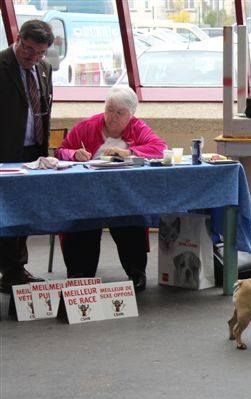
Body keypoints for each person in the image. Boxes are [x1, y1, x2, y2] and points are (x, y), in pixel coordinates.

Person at [55, 86, 167, 292]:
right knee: (83, 222)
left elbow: (160, 148)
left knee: (130, 218)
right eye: (109, 110)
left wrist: (128, 152)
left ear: (131, 114)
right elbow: (61, 150)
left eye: (119, 113)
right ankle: (80, 274)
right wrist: (74, 154)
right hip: (86, 194)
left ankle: (136, 272)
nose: (112, 117)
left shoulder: (137, 128)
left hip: (122, 194)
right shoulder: (87, 126)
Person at [0, 20, 54, 293]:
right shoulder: (2, 64)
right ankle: (10, 270)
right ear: (18, 38)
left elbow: (43, 108)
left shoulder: (44, 69)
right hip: (5, 152)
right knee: (5, 212)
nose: (32, 58)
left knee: (24, 211)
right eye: (28, 50)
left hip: (34, 151)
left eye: (39, 53)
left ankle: (15, 268)